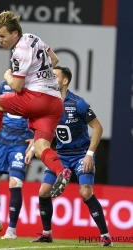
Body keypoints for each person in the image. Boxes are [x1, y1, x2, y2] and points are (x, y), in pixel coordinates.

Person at [0, 10, 71, 197]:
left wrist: (7, 75)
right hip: (54, 102)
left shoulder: (19, 52)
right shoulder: (33, 38)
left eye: (2, 36)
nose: (0, 40)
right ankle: (61, 171)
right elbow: (55, 60)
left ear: (15, 33)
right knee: (41, 149)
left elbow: (16, 85)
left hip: (36, 100)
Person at [26, 66, 113, 247]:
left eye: (55, 76)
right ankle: (47, 233)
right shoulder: (47, 104)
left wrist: (89, 154)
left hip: (81, 155)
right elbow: (42, 131)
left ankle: (105, 236)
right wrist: (33, 147)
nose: (50, 79)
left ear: (65, 81)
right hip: (61, 156)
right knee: (43, 191)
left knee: (85, 192)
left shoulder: (78, 103)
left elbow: (98, 128)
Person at [0, 80, 33, 240]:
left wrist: (35, 138)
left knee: (15, 183)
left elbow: (39, 116)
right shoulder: (4, 85)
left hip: (20, 143)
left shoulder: (31, 87)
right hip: (1, 142)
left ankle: (12, 230)